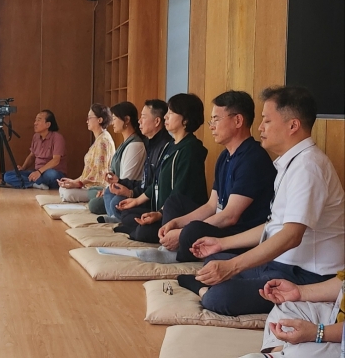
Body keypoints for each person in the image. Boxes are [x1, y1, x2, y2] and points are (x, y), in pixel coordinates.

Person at [177, 86, 345, 317]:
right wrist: (222, 244)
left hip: (305, 275)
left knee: (222, 296)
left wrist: (234, 266)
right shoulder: (291, 163)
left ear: (293, 125)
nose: (260, 127)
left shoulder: (309, 167)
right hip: (280, 264)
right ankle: (209, 285)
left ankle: (207, 292)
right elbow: (273, 226)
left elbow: (290, 236)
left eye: (266, 121)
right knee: (215, 259)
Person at [137, 91, 276, 264]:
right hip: (224, 226)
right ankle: (173, 248)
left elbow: (230, 216)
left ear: (238, 121)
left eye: (216, 119)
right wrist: (177, 222)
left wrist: (183, 232)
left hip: (241, 235)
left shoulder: (253, 158)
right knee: (175, 205)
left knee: (193, 231)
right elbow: (212, 205)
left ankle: (177, 253)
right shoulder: (225, 157)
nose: (211, 126)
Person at [113, 93, 208, 244]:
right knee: (128, 214)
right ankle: (136, 229)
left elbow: (180, 192)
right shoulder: (170, 146)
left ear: (186, 119)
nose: (166, 117)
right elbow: (156, 182)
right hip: (161, 211)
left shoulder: (191, 149)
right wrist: (136, 201)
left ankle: (139, 231)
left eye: (171, 113)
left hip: (179, 215)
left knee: (144, 231)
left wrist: (160, 213)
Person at [239, 271, 343, 358]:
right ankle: (280, 352)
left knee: (302, 353)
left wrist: (317, 332)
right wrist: (300, 292)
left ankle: (287, 353)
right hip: (336, 313)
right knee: (285, 309)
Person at [88, 101, 147, 215]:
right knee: (92, 192)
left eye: (115, 119)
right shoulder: (125, 142)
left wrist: (108, 190)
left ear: (126, 120)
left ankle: (114, 217)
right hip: (114, 188)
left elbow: (126, 179)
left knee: (95, 204)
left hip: (123, 190)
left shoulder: (135, 145)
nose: (112, 123)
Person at [57, 104, 115, 202]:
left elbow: (99, 174)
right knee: (63, 189)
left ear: (99, 120)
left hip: (98, 188)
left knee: (67, 193)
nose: (87, 121)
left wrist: (77, 184)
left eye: (89, 117)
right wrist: (74, 181)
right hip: (88, 185)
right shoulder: (99, 139)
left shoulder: (103, 141)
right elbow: (90, 171)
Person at [3, 110, 66, 189]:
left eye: (39, 120)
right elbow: (32, 156)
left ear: (48, 124)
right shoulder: (36, 137)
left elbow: (56, 160)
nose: (35, 123)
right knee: (7, 176)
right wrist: (23, 168)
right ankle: (35, 184)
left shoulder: (57, 137)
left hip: (51, 171)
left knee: (52, 175)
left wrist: (39, 172)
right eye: (35, 120)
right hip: (36, 171)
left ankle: (35, 182)